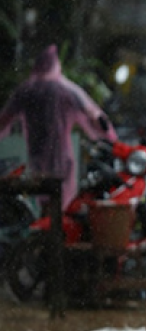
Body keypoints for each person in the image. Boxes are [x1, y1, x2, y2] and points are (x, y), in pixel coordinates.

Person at [0, 44, 117, 209]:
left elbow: (4, 119)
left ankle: (47, 227)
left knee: (43, 197)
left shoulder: (26, 91)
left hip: (37, 155)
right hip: (61, 157)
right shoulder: (66, 89)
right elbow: (94, 115)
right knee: (62, 202)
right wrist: (111, 138)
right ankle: (55, 229)